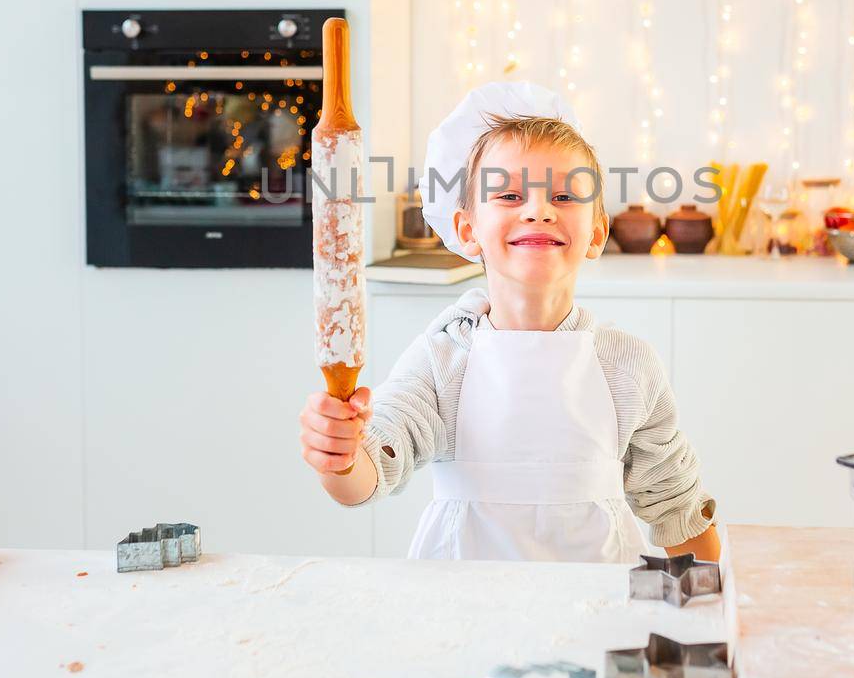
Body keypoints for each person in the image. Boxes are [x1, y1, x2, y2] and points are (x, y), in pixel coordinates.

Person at [298, 82, 720, 563]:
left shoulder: (628, 366)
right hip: (462, 613)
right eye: (510, 194)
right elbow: (368, 472)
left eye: (563, 195)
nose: (538, 210)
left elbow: (678, 511)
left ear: (597, 232)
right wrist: (341, 454)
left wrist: (716, 612)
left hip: (600, 612)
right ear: (466, 229)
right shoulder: (442, 360)